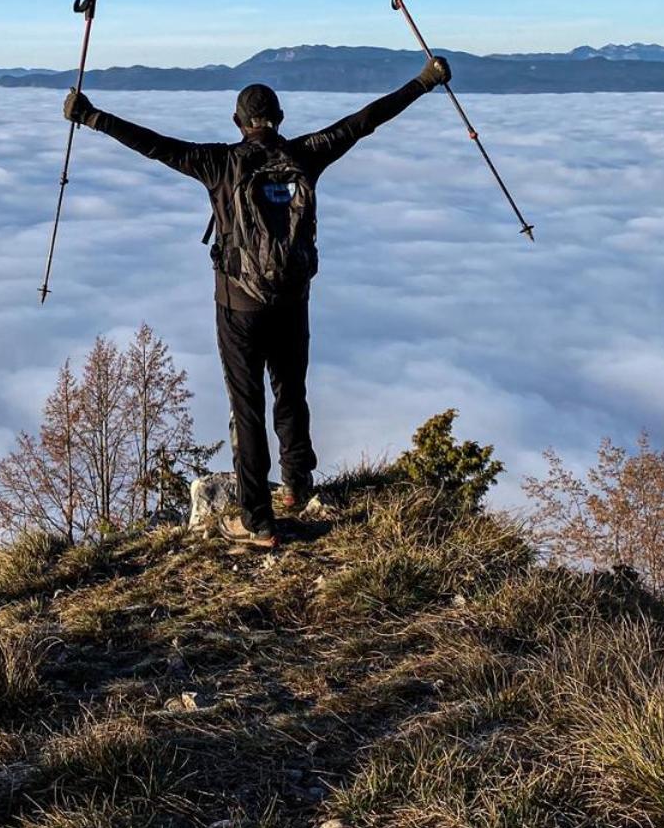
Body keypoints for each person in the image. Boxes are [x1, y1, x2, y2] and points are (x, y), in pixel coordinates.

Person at [63, 56, 452, 547]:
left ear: (238, 123)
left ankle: (257, 519)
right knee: (290, 389)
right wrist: (424, 81)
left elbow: (154, 146)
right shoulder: (306, 154)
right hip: (292, 298)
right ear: (279, 119)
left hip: (238, 306)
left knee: (247, 405)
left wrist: (92, 116)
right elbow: (364, 122)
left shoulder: (219, 164)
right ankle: (296, 484)